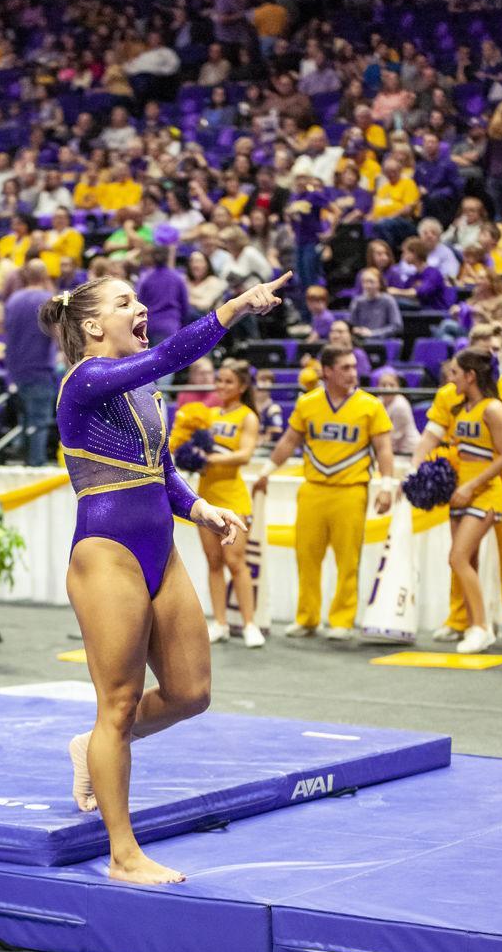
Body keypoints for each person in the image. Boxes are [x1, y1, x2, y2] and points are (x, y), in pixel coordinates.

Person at [39, 270, 290, 886]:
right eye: (124, 302)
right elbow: (172, 353)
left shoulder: (145, 394)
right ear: (93, 325)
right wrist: (232, 308)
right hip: (107, 554)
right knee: (118, 704)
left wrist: (201, 508)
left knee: (191, 692)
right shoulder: (86, 379)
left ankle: (89, 747)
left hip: (160, 547)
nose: (140, 305)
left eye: (138, 297)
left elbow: (161, 468)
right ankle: (124, 855)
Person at [254, 344, 393, 640]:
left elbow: (384, 449)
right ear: (327, 371)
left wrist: (386, 486)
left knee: (347, 560)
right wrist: (266, 472)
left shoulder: (370, 405)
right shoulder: (308, 403)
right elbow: (289, 441)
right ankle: (307, 618)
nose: (353, 373)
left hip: (351, 490)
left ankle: (342, 620)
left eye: (354, 367)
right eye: (345, 367)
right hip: (313, 489)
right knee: (307, 557)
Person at [412, 323, 502, 644]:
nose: (449, 378)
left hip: (485, 492)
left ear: (471, 375)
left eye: (455, 373)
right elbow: (432, 438)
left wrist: (471, 486)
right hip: (460, 491)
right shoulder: (459, 406)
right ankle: (471, 624)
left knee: (457, 556)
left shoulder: (493, 408)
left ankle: (482, 628)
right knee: (465, 559)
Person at [196, 359, 264, 649]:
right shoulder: (207, 414)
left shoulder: (248, 416)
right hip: (206, 494)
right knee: (213, 562)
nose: (221, 386)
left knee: (236, 562)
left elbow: (245, 455)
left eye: (228, 382)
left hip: (233, 496)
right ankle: (220, 623)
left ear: (242, 386)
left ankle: (250, 624)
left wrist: (208, 459)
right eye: (219, 380)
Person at [5, 260, 57, 466]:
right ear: (44, 277)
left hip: (16, 368)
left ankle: (23, 462)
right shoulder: (47, 299)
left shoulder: (13, 300)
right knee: (39, 421)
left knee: (25, 420)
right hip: (40, 368)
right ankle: (36, 465)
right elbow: (57, 331)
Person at [350, 268, 402, 339]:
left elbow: (397, 326)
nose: (367, 285)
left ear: (379, 284)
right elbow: (352, 325)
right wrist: (357, 330)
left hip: (382, 343)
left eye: (371, 282)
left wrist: (372, 333)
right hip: (362, 341)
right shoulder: (357, 301)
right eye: (364, 282)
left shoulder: (388, 300)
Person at [378, 369, 419, 455]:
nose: (387, 389)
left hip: (409, 453)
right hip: (393, 450)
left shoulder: (400, 405)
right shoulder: (379, 401)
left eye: (392, 385)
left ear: (398, 387)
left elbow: (394, 438)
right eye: (383, 385)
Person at [255, 368, 285, 448]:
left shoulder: (273, 408)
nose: (264, 384)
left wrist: (264, 440)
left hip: (265, 447)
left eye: (268, 381)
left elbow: (277, 429)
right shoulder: (249, 405)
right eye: (261, 380)